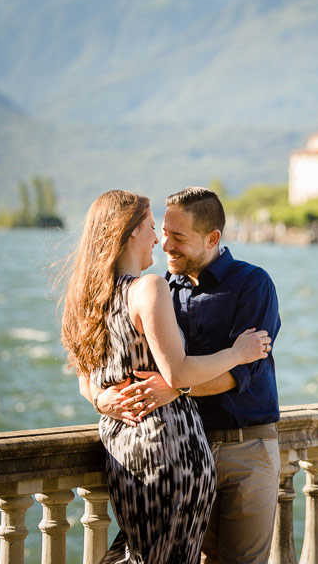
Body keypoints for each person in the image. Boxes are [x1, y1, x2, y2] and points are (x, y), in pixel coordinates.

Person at [60, 189, 271, 564]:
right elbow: (172, 371)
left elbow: (243, 375)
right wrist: (102, 398)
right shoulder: (153, 287)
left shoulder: (252, 283)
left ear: (213, 238)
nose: (163, 242)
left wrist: (171, 389)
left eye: (177, 236)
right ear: (128, 234)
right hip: (172, 450)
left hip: (239, 446)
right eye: (158, 230)